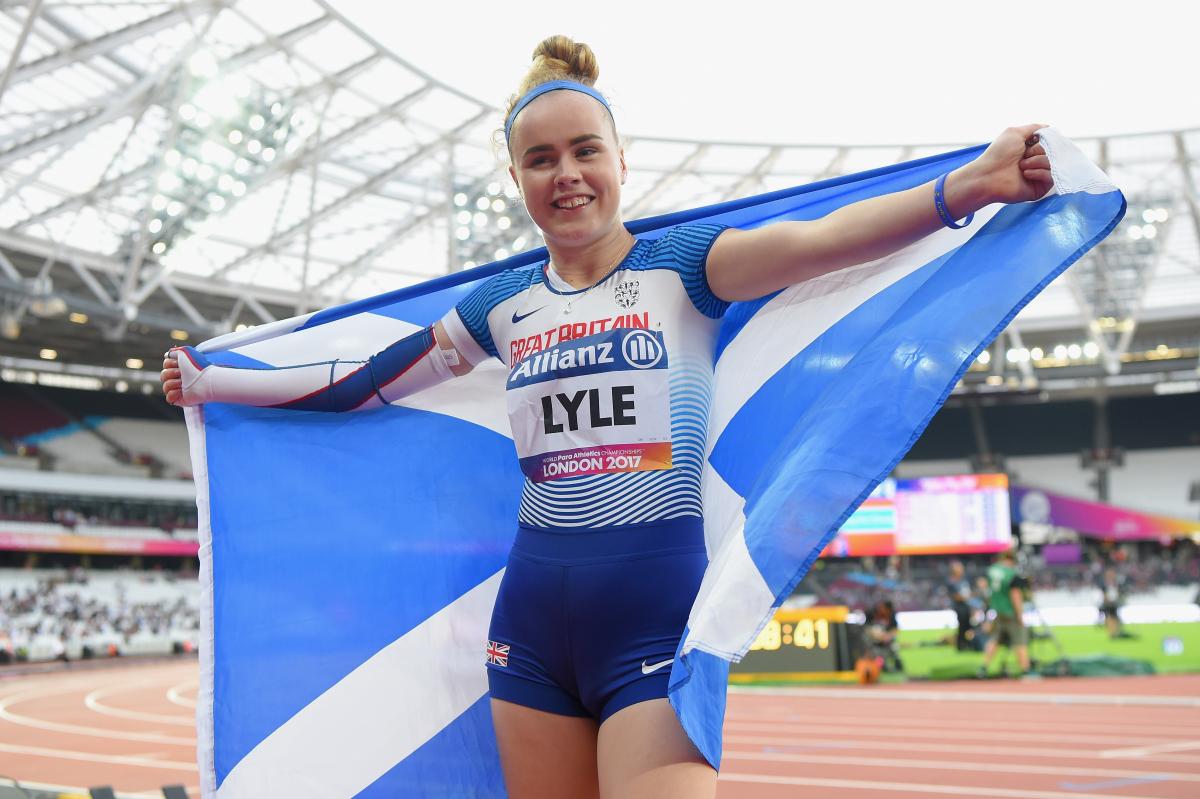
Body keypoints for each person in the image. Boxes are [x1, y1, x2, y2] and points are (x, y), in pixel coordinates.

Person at [160, 35, 1053, 799]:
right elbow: (361, 381)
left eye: (585, 150)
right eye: (541, 160)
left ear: (622, 161)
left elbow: (827, 241)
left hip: (655, 621)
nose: (567, 175)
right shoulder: (499, 305)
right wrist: (214, 384)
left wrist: (974, 184)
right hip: (532, 631)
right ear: (516, 178)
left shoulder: (688, 266)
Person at [977, 549, 1032, 678]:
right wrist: (1020, 615)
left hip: (997, 611)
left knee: (995, 640)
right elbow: (1015, 595)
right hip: (1010, 611)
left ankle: (983, 667)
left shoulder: (991, 571)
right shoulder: (1012, 574)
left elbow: (984, 586)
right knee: (1020, 640)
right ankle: (1026, 670)